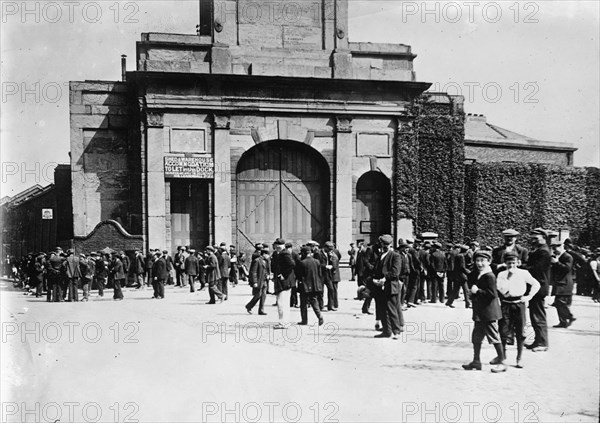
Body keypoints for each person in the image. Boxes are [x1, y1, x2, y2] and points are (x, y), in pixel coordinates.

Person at [463, 249, 506, 373]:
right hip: (480, 312)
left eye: (482, 261)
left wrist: (477, 291)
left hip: (489, 312)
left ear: (489, 261)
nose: (479, 263)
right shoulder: (478, 274)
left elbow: (492, 294)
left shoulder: (490, 276)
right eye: (477, 260)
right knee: (476, 337)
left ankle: (502, 361)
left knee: (493, 337)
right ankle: (476, 361)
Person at [496, 251, 540, 368]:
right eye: (509, 263)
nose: (512, 266)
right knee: (503, 331)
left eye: (514, 263)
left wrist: (528, 297)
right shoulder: (501, 274)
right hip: (506, 304)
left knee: (520, 332)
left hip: (519, 304)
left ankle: (519, 358)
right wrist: (508, 278)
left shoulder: (524, 273)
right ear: (505, 263)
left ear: (518, 263)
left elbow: (536, 284)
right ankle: (502, 357)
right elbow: (500, 289)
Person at [524, 228, 551, 352]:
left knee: (538, 315)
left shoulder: (544, 252)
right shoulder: (540, 250)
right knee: (534, 314)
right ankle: (538, 340)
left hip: (538, 287)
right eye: (532, 238)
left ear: (544, 237)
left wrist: (521, 267)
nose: (533, 240)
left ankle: (543, 343)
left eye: (536, 238)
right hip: (536, 286)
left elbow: (536, 269)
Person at [372, 234, 403, 339]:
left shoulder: (395, 256)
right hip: (380, 286)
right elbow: (376, 270)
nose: (384, 246)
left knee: (391, 309)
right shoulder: (380, 256)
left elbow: (395, 272)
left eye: (386, 244)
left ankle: (396, 331)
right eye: (382, 244)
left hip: (390, 285)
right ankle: (386, 331)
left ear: (390, 245)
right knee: (382, 309)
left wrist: (384, 279)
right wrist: (374, 279)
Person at [550, 241, 576, 328]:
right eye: (553, 248)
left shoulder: (567, 256)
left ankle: (569, 316)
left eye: (557, 247)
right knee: (558, 303)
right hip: (559, 283)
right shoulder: (556, 256)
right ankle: (563, 322)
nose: (555, 250)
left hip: (565, 283)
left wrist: (557, 262)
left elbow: (567, 268)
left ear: (562, 247)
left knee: (560, 302)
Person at [296, 246, 324, 326]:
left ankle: (304, 320)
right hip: (315, 285)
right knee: (314, 301)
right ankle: (319, 316)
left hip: (305, 286)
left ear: (304, 253)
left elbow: (299, 275)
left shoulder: (302, 263)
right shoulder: (317, 261)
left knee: (303, 303)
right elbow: (320, 274)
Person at [271, 238, 295, 329]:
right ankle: (286, 322)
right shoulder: (282, 253)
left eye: (277, 246)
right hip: (285, 282)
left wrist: (284, 275)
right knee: (285, 303)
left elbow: (292, 264)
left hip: (284, 282)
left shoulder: (284, 253)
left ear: (279, 246)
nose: (276, 248)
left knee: (281, 303)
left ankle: (282, 323)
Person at [245, 249, 270, 315]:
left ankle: (261, 310)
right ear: (264, 254)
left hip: (264, 280)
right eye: (267, 254)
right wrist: (254, 282)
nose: (268, 256)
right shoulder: (257, 261)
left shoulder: (266, 261)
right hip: (259, 280)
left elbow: (266, 270)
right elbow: (253, 272)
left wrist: (267, 275)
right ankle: (249, 306)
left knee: (263, 296)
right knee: (258, 295)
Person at [323, 241, 340, 311]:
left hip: (334, 276)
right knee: (333, 290)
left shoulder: (333, 256)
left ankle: (333, 304)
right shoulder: (332, 255)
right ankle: (333, 304)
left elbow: (334, 266)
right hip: (333, 275)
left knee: (333, 290)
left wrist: (330, 267)